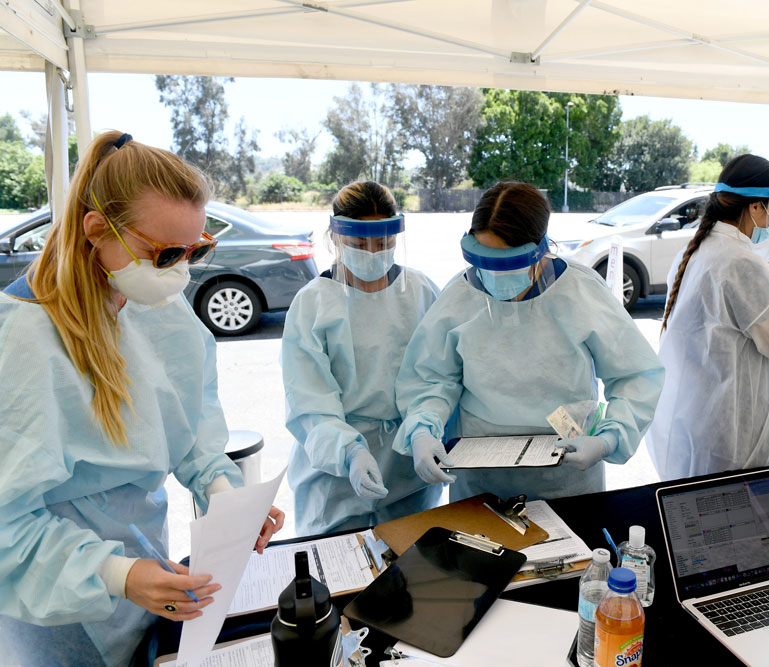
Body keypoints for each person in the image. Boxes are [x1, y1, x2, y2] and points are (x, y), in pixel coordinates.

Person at [0, 131, 284, 666]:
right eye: (166, 252)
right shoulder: (26, 341)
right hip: (54, 595)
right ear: (95, 230)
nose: (181, 270)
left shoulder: (154, 304)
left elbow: (189, 428)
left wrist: (224, 493)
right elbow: (6, 522)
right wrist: (114, 573)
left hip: (143, 566)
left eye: (197, 250)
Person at [393, 181, 664, 501]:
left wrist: (609, 438)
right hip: (479, 478)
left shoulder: (580, 292)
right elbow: (431, 378)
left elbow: (635, 375)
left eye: (507, 263)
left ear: (540, 250)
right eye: (484, 261)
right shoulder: (461, 296)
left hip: (566, 474)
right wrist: (422, 431)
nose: (492, 275)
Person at [646, 154, 769, 481]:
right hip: (727, 435)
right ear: (755, 208)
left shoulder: (700, 250)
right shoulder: (741, 263)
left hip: (695, 421)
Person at [283, 181, 442, 535]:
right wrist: (349, 453)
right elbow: (309, 401)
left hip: (407, 464)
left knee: (409, 571)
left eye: (384, 243)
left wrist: (424, 431)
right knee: (337, 576)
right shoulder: (313, 303)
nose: (372, 253)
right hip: (333, 474)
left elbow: (438, 377)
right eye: (359, 244)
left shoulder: (419, 292)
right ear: (336, 237)